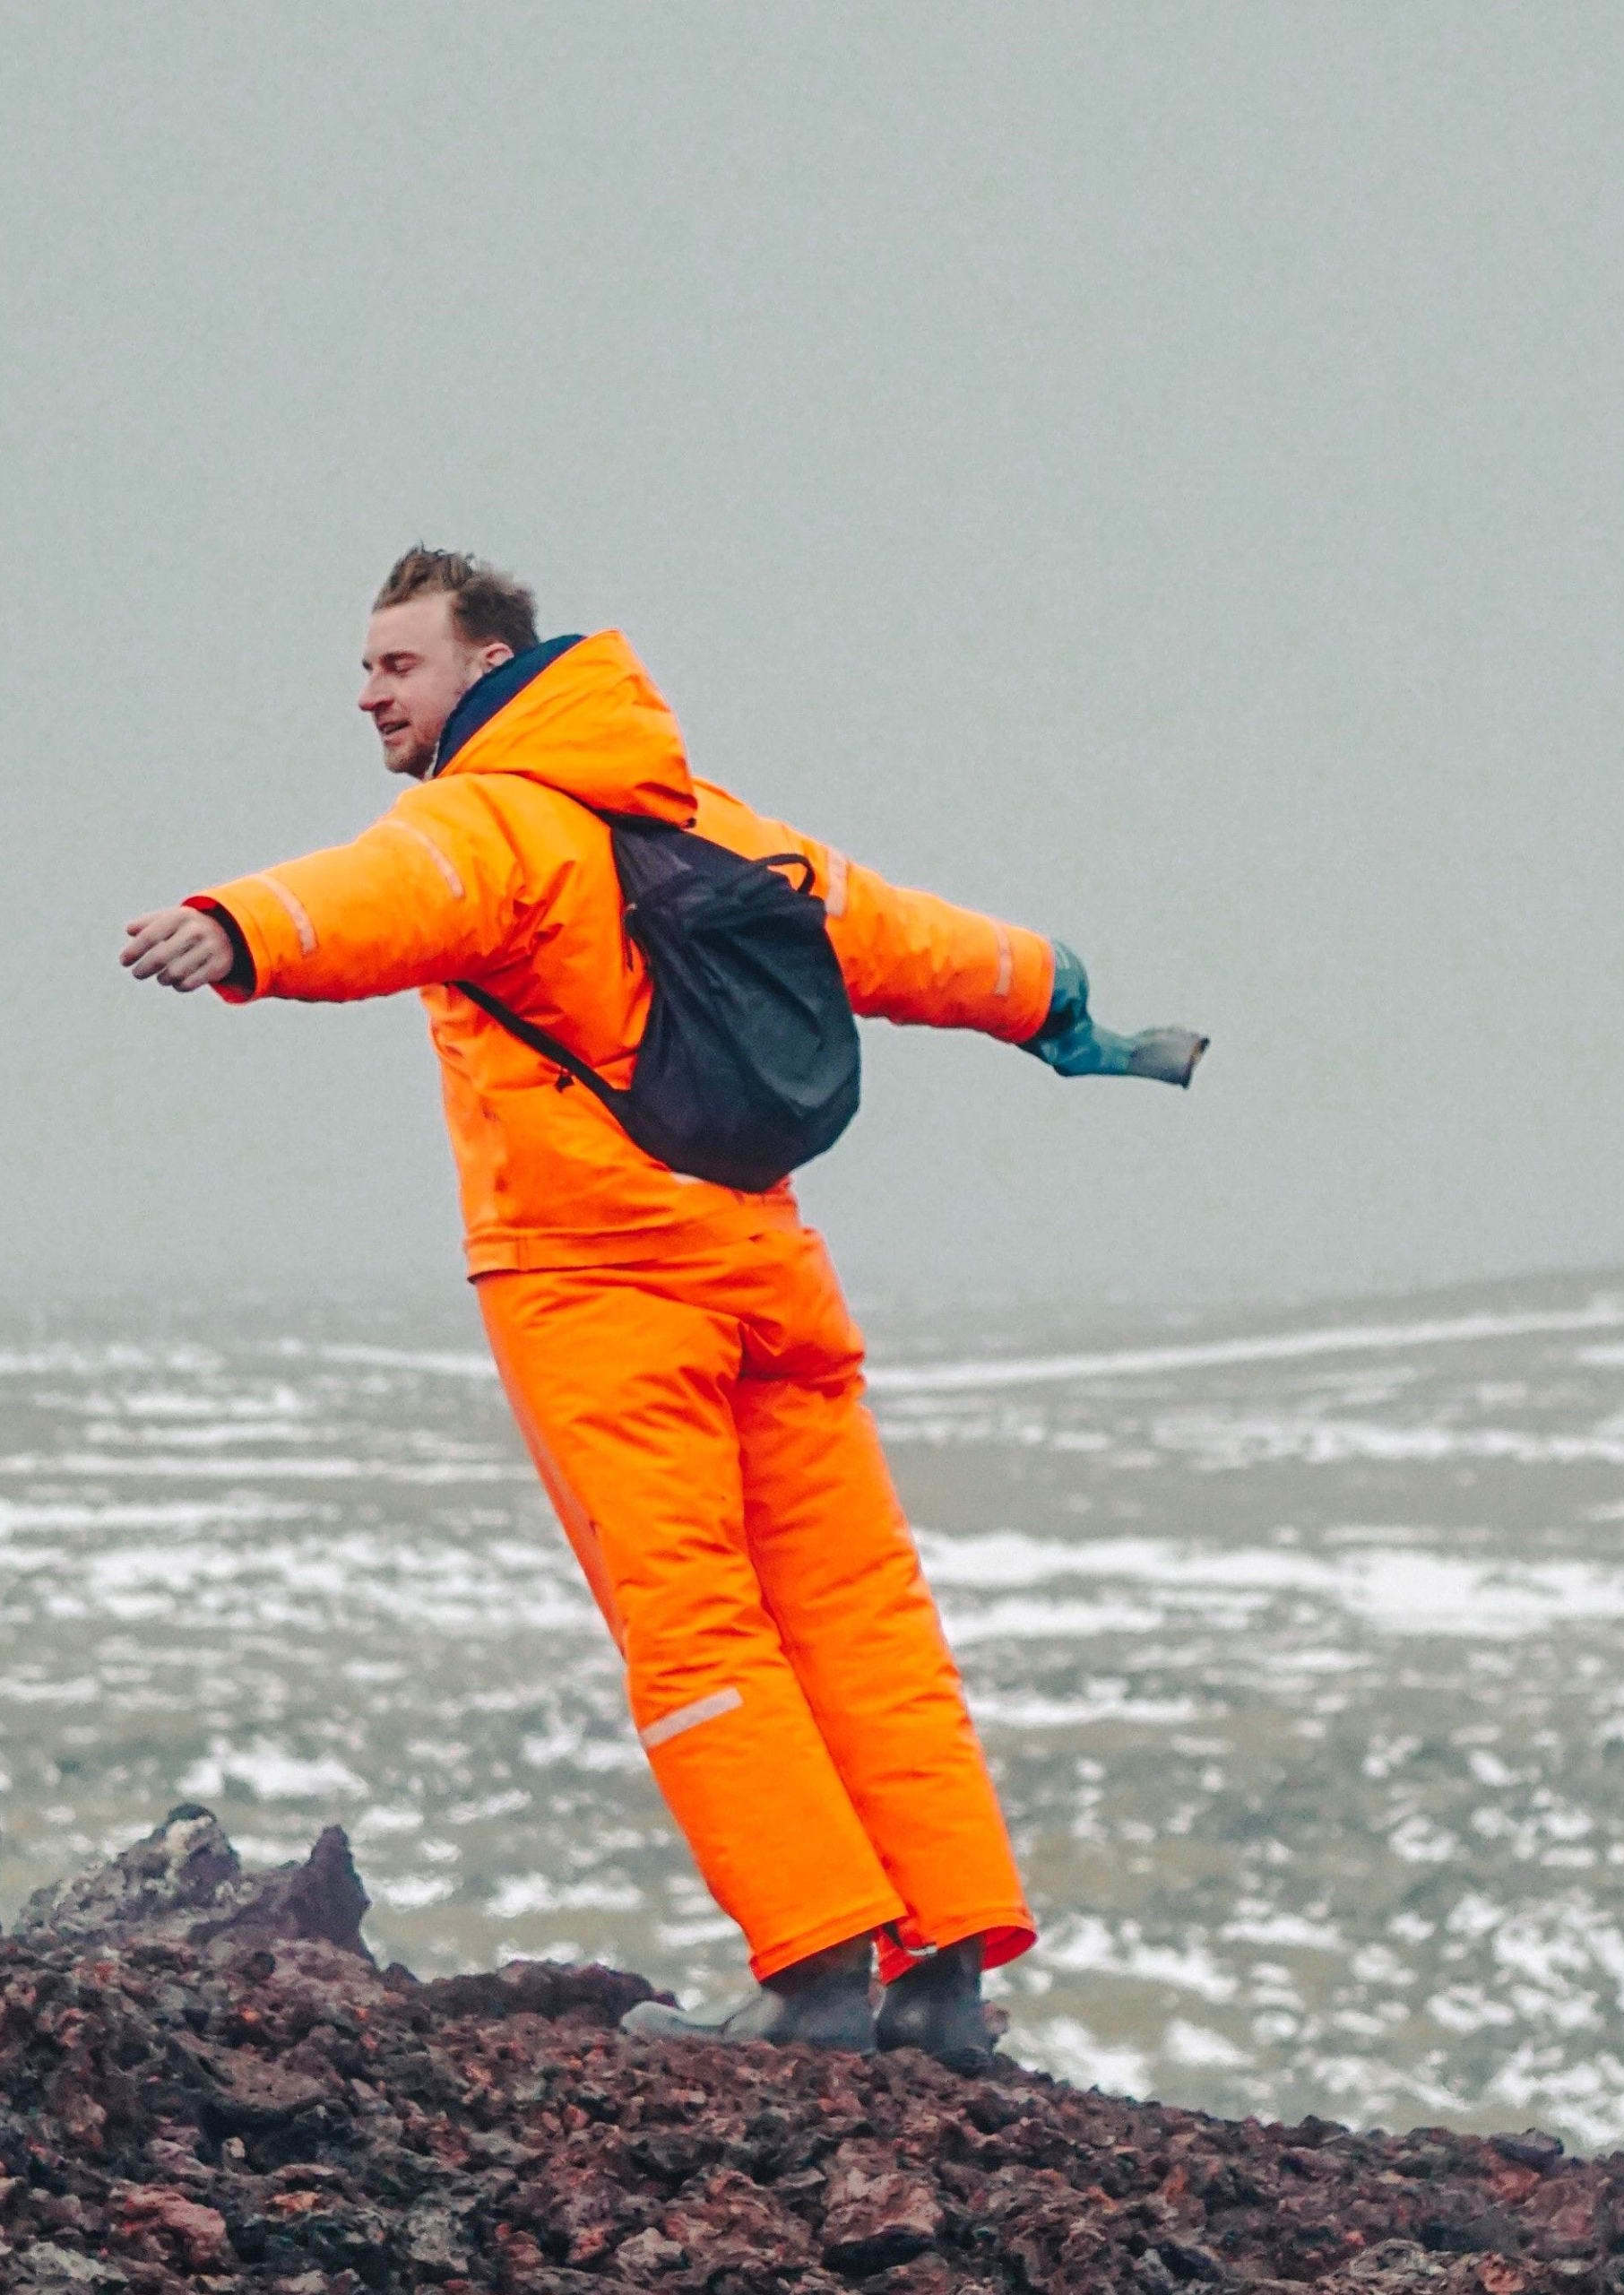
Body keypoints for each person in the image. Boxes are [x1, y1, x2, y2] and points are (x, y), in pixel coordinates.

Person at [120, 548, 1196, 2060]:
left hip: (602, 1292)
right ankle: (941, 1978)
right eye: (364, 668)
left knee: (694, 1628)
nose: (369, 694)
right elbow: (893, 932)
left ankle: (819, 1971)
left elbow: (388, 891)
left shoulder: (494, 819)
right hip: (767, 1275)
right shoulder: (704, 822)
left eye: (398, 666)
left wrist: (240, 926)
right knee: (862, 1617)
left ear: (488, 667)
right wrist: (1059, 1002)